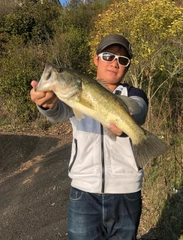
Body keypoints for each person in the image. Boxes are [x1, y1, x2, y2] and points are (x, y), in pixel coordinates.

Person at [30, 34, 148, 240]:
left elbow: (139, 109)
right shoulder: (74, 91)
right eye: (109, 56)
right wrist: (45, 104)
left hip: (127, 193)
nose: (114, 63)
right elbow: (57, 111)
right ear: (96, 59)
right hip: (84, 193)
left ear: (127, 66)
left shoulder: (134, 93)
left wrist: (129, 120)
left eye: (123, 60)